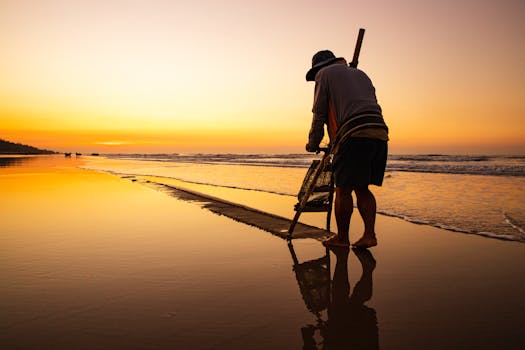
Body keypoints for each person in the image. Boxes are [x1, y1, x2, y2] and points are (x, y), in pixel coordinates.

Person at [305, 50, 388, 249]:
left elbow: (319, 113)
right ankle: (370, 235)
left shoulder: (324, 75)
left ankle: (342, 237)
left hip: (353, 134)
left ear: (318, 68)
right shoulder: (361, 74)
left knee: (342, 189)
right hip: (379, 133)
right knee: (361, 187)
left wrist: (313, 143)